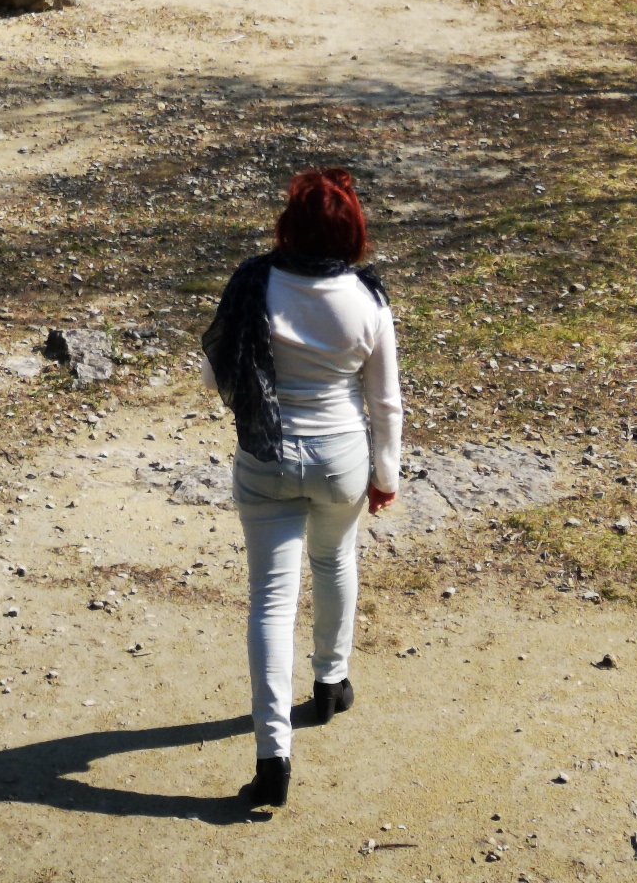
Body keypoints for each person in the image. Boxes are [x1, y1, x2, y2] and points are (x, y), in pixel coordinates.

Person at [201, 165, 403, 814]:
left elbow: (214, 373)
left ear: (288, 227)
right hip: (341, 459)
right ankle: (331, 682)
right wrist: (386, 476)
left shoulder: (254, 283)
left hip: (266, 457)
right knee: (335, 560)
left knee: (271, 602)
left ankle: (273, 759)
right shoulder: (368, 300)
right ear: (354, 232)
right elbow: (386, 402)